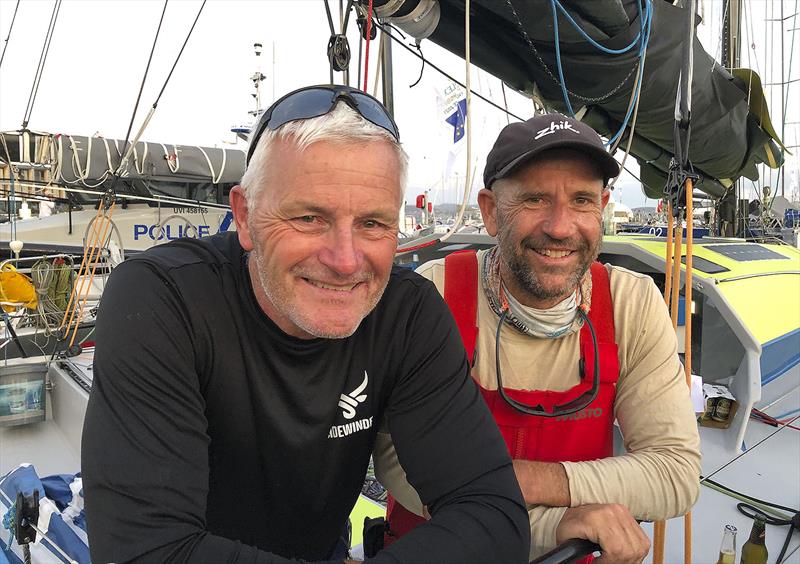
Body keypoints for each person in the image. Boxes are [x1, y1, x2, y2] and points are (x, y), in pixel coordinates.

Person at [81, 85, 530, 563]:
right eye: (310, 217)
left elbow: (494, 514)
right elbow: (147, 551)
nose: (344, 259)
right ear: (246, 216)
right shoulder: (163, 300)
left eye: (373, 224)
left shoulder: (406, 314)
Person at [375, 113, 702, 563]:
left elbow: (675, 473)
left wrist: (512, 479)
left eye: (583, 200)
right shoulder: (434, 296)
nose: (561, 227)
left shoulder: (632, 302)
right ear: (490, 211)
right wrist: (555, 525)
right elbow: (400, 466)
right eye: (534, 199)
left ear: (603, 207)